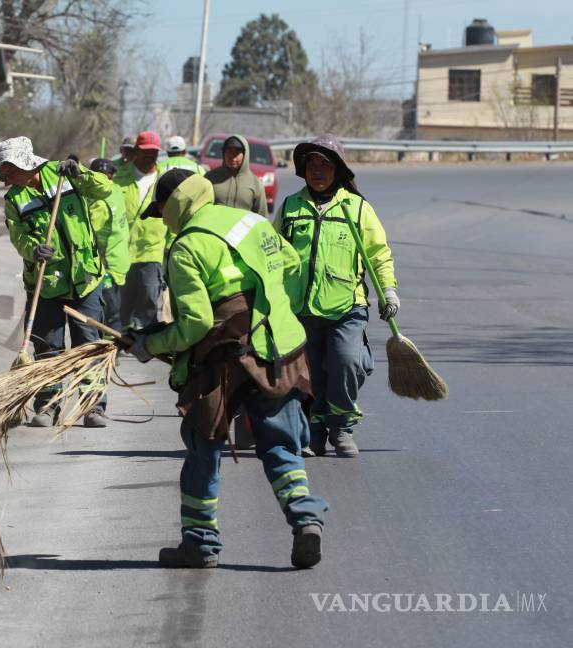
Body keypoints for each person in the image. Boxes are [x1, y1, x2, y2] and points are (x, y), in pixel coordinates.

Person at [122, 168, 328, 569]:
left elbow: (196, 324)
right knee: (281, 444)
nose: (162, 220)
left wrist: (150, 344)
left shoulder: (187, 246)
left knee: (204, 446)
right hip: (278, 347)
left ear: (170, 205)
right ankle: (305, 517)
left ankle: (199, 544)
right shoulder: (251, 221)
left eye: (160, 211)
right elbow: (290, 264)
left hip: (225, 357)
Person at [273, 134, 399, 458]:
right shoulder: (290, 207)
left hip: (347, 306)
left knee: (346, 361)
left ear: (338, 170)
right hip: (301, 309)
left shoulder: (357, 209)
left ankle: (341, 425)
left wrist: (388, 291)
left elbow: (378, 254)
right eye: (312, 164)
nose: (318, 171)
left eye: (325, 165)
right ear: (303, 169)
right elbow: (272, 254)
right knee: (307, 373)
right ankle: (313, 430)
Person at [0, 136, 112, 428]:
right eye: (4, 173)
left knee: (88, 345)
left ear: (23, 164)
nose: (6, 178)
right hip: (45, 284)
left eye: (8, 171)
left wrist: (80, 171)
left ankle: (92, 405)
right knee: (48, 348)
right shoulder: (14, 200)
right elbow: (18, 236)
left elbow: (105, 189)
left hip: (85, 279)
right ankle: (47, 406)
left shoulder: (62, 173)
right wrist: (33, 250)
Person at [113, 130, 167, 330]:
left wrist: (170, 248)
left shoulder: (164, 180)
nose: (149, 156)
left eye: (154, 152)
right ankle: (117, 341)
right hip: (121, 251)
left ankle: (145, 343)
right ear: (136, 151)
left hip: (151, 250)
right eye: (145, 151)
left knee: (148, 298)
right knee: (120, 305)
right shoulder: (119, 177)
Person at [88, 157, 131, 332]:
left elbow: (88, 234)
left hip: (105, 268)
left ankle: (106, 355)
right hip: (119, 263)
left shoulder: (98, 202)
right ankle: (111, 353)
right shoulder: (117, 192)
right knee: (113, 314)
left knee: (103, 314)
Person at [204, 134, 267, 214]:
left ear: (245, 155)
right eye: (229, 152)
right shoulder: (210, 179)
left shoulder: (255, 184)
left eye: (237, 153)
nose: (232, 157)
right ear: (223, 153)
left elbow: (262, 218)